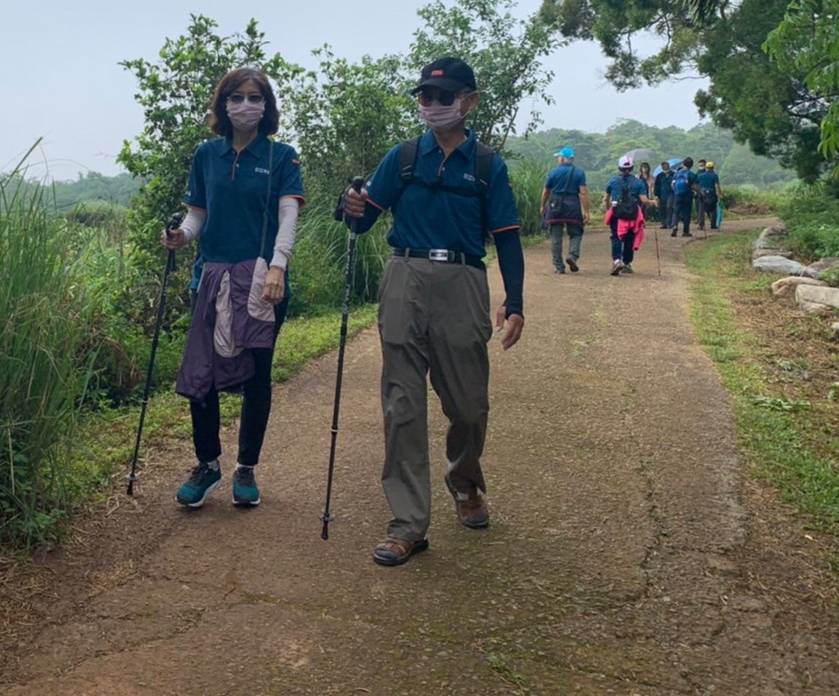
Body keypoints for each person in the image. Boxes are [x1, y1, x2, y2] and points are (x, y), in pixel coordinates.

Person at [339, 56, 525, 567]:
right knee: (402, 404)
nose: (432, 106)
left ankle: (465, 483)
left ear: (469, 102)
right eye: (425, 97)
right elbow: (361, 222)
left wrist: (516, 300)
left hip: (463, 279)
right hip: (404, 277)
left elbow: (507, 238)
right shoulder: (401, 158)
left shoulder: (488, 166)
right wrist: (351, 206)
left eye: (443, 97)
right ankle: (408, 523)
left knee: (468, 405)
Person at [164, 68, 305, 509]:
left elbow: (287, 216)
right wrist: (180, 237)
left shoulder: (282, 157)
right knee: (201, 372)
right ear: (222, 105)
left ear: (267, 106)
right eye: (237, 97)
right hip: (211, 277)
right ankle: (207, 464)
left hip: (262, 280)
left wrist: (278, 267)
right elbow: (196, 217)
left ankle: (246, 468)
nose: (246, 105)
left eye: (255, 97)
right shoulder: (207, 155)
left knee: (256, 375)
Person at [539, 145, 590, 275]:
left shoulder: (553, 172)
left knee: (556, 237)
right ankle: (572, 256)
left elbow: (546, 192)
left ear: (563, 159)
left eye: (559, 157)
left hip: (555, 206)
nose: (558, 159)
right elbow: (583, 193)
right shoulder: (579, 173)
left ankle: (559, 266)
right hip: (573, 206)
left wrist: (543, 206)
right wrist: (587, 211)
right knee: (576, 233)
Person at [603, 153, 652, 275]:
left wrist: (608, 209)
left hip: (617, 213)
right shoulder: (639, 182)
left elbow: (606, 199)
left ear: (619, 168)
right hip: (632, 214)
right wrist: (653, 203)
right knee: (630, 238)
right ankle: (627, 263)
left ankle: (617, 260)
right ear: (631, 168)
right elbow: (644, 200)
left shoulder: (613, 181)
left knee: (616, 237)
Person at [669, 157, 695, 237]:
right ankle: (685, 231)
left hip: (677, 195)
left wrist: (676, 191)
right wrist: (699, 192)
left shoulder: (677, 173)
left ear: (683, 164)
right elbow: (695, 185)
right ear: (691, 166)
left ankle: (675, 225)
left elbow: (672, 185)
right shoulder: (691, 174)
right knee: (686, 213)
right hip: (687, 195)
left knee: (676, 212)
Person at [695, 160, 721, 232]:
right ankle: (713, 225)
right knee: (713, 210)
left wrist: (699, 191)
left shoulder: (700, 175)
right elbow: (716, 185)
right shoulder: (715, 176)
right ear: (713, 168)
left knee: (701, 210)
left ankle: (701, 225)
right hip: (711, 195)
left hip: (702, 194)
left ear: (706, 167)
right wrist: (718, 195)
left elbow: (695, 184)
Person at [653, 160, 673, 229]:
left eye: (667, 165)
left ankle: (669, 223)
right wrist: (656, 195)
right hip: (662, 194)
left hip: (671, 193)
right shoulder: (659, 176)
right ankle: (663, 223)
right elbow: (657, 186)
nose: (665, 167)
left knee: (669, 207)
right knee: (662, 209)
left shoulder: (673, 174)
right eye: (664, 166)